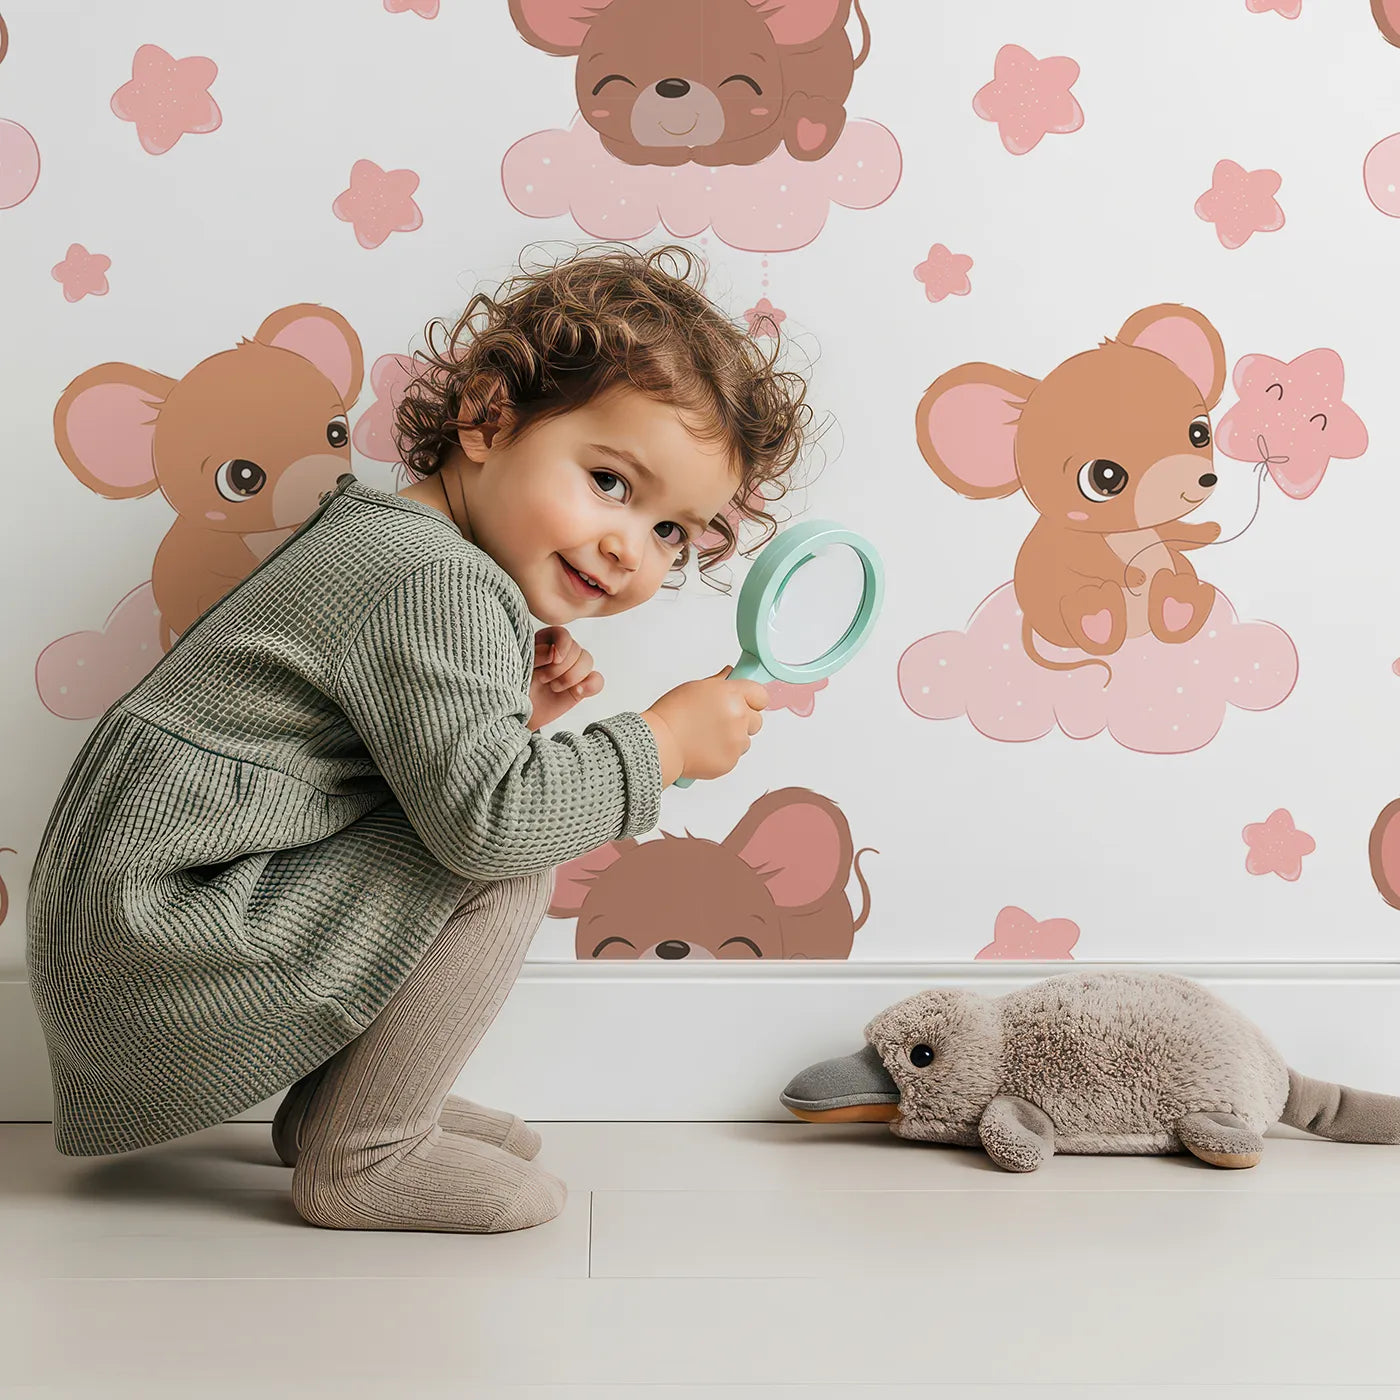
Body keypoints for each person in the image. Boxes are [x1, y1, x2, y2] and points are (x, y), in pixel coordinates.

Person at [25, 243, 813, 1233]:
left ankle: (337, 1107)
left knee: (488, 820)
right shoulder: (440, 579)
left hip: (130, 938)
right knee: (507, 855)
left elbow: (344, 776)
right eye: (611, 481)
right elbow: (486, 825)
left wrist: (512, 719)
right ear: (486, 419)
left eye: (672, 532)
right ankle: (365, 1150)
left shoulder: (390, 543)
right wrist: (653, 745)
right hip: (156, 945)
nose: (630, 545)